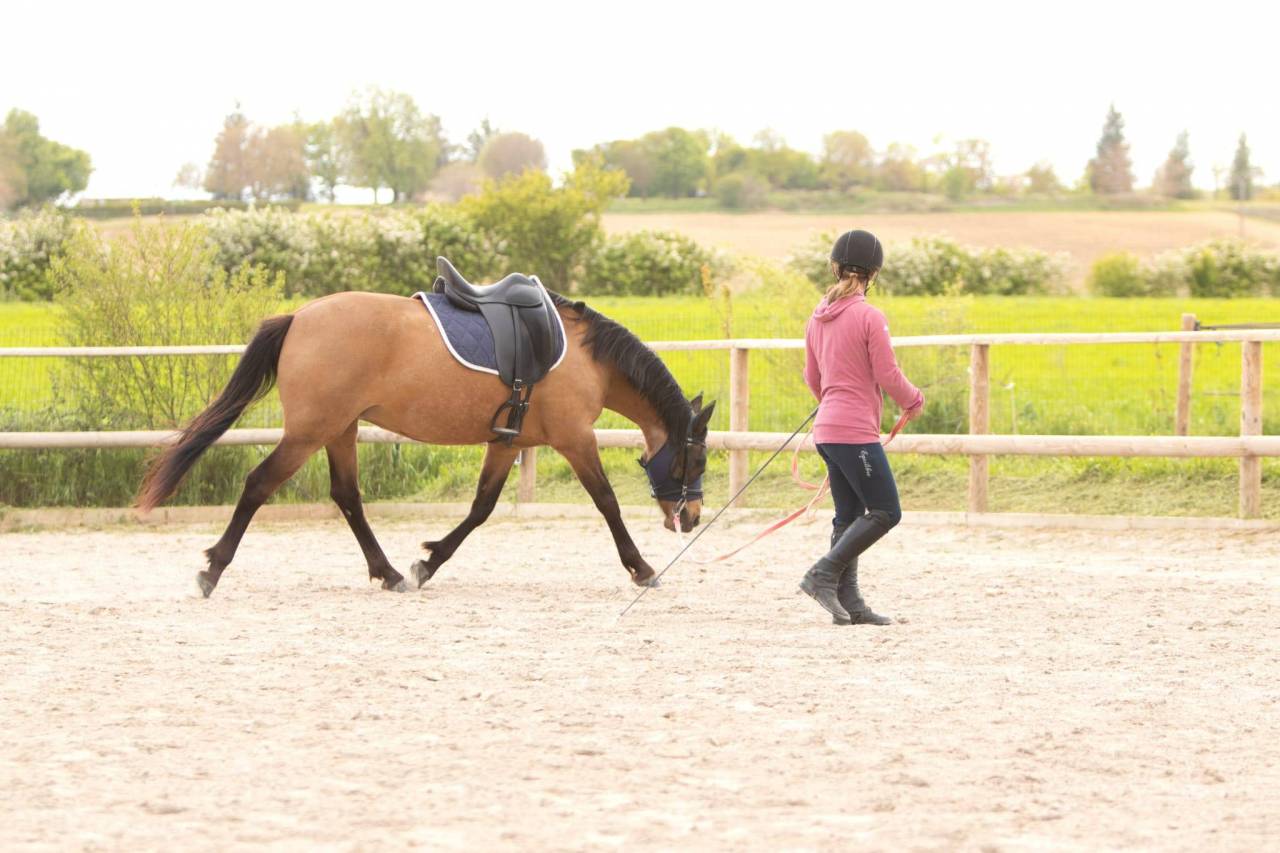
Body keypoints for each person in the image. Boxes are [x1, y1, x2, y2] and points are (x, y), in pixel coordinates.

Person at [798, 229, 924, 625]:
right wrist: (912, 400)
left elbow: (812, 378)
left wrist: (833, 402)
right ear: (874, 274)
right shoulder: (870, 316)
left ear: (835, 268)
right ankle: (822, 573)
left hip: (828, 430)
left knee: (848, 516)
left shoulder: (817, 317)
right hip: (854, 433)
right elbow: (887, 372)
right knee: (887, 510)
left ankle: (850, 602)